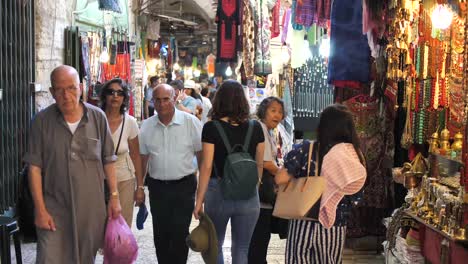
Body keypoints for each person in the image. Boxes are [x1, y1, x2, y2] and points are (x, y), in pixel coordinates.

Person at [23, 65, 121, 264]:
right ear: (52, 92)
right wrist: (40, 210)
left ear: (81, 88)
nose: (66, 95)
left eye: (71, 88)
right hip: (54, 208)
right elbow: (34, 168)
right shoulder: (41, 122)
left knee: (85, 259)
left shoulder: (97, 118)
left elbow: (108, 160)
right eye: (59, 90)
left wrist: (114, 197)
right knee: (49, 258)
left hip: (90, 209)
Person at [275, 104, 367, 264]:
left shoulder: (306, 149)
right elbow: (356, 197)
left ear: (322, 126)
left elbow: (280, 178)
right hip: (334, 225)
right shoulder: (355, 157)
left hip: (303, 219)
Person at [193, 80, 265, 264]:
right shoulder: (256, 127)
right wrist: (253, 186)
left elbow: (207, 166)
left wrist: (199, 200)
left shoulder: (211, 128)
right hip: (249, 195)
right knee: (242, 248)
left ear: (219, 100)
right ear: (243, 100)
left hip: (218, 192)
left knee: (215, 246)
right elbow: (259, 164)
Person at [139, 83, 203, 264]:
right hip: (158, 187)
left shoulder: (191, 123)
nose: (162, 104)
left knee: (180, 233)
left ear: (174, 99)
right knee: (160, 233)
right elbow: (143, 159)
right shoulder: (147, 126)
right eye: (157, 100)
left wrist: (201, 193)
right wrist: (139, 187)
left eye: (166, 99)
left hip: (184, 186)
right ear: (153, 102)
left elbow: (202, 157)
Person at [99, 78, 144, 227]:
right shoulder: (95, 119)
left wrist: (140, 187)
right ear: (105, 95)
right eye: (111, 92)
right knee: (99, 226)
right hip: (97, 181)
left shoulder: (129, 122)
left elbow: (136, 155)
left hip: (124, 179)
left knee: (121, 226)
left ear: (124, 97)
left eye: (119, 93)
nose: (115, 96)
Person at [249, 97, 288, 263]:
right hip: (260, 195)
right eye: (273, 110)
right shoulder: (261, 129)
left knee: (259, 240)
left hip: (261, 195)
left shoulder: (268, 131)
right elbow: (264, 162)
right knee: (259, 239)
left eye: (280, 112)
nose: (277, 115)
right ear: (264, 111)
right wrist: (281, 174)